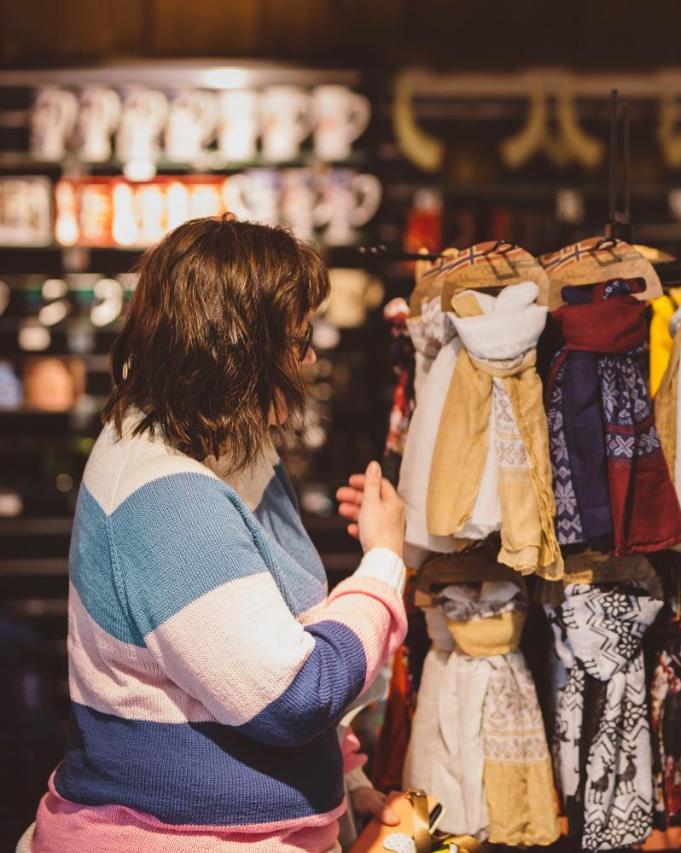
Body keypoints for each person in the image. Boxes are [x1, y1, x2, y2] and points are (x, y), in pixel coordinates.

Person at [23, 216, 407, 852]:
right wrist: (384, 562)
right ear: (238, 350)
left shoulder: (230, 445)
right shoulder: (166, 498)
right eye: (296, 339)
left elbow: (272, 638)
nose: (311, 358)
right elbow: (292, 694)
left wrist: (347, 779)